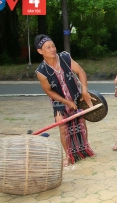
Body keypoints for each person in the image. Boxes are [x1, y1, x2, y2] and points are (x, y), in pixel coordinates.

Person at [34, 34, 95, 167]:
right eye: (48, 47)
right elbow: (48, 91)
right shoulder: (41, 71)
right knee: (63, 128)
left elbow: (81, 71)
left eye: (53, 46)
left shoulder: (65, 57)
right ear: (40, 51)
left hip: (75, 96)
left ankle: (84, 149)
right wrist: (66, 102)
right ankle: (68, 155)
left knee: (81, 123)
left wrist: (84, 91)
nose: (52, 49)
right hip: (59, 102)